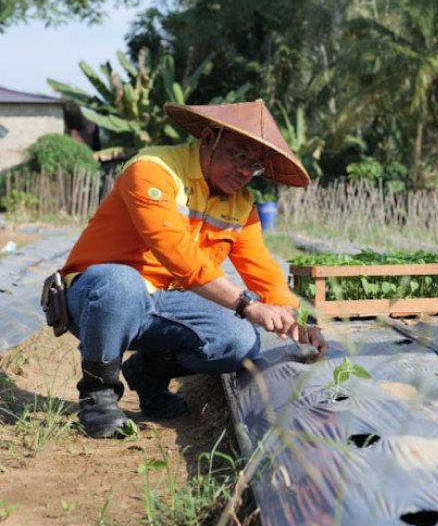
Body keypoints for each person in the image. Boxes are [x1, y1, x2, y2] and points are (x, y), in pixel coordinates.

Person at [61, 99, 327, 439]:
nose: (245, 171)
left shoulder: (241, 205)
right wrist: (247, 304)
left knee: (239, 340)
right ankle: (98, 396)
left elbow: (263, 270)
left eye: (256, 166)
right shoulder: (154, 169)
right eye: (238, 155)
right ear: (208, 138)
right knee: (121, 283)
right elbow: (176, 252)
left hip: (164, 304)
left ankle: (147, 373)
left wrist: (299, 324)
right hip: (95, 296)